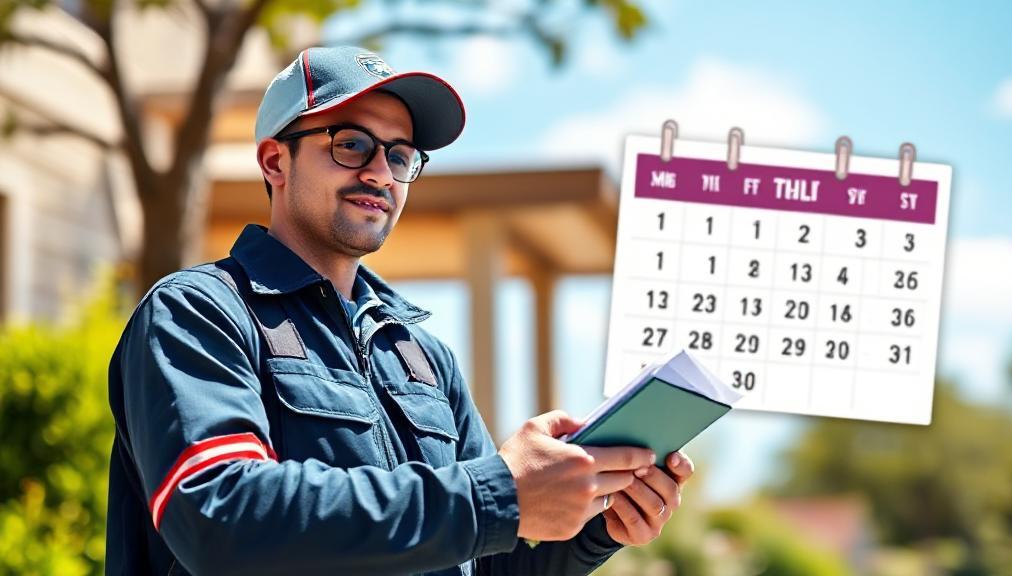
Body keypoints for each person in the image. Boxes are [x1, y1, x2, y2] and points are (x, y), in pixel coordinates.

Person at [105, 45, 695, 575]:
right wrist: (494, 494)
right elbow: (221, 517)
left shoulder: (424, 357)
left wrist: (595, 522)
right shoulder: (198, 313)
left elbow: (482, 562)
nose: (380, 173)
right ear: (274, 162)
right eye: (351, 144)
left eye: (401, 155)